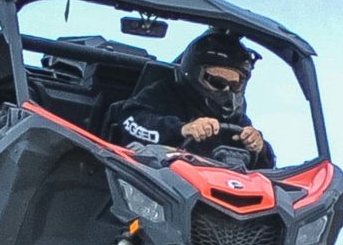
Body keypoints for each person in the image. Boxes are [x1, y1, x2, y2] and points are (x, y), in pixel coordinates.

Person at [108, 29, 275, 168]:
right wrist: (181, 129)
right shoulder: (166, 92)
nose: (226, 91)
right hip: (156, 183)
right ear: (195, 74)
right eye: (217, 82)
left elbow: (265, 168)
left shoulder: (236, 117)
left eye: (235, 85)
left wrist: (260, 149)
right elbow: (130, 119)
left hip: (210, 195)